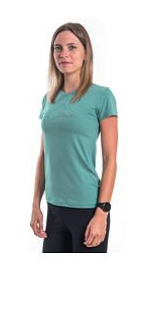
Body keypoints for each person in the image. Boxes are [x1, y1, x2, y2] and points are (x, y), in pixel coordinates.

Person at [30, 22, 118, 253]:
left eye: (72, 47)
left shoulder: (102, 96)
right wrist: (36, 204)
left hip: (88, 209)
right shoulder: (48, 99)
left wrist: (102, 212)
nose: (63, 54)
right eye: (57, 48)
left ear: (85, 53)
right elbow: (43, 156)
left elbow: (110, 160)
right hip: (54, 208)